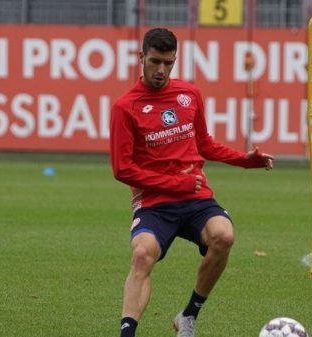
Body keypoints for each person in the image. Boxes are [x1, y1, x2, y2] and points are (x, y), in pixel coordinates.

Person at [109, 27, 274, 337]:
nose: (161, 70)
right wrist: (175, 183)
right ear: (141, 57)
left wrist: (244, 159)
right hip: (155, 204)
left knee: (223, 236)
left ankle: (188, 315)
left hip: (195, 198)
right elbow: (122, 169)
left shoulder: (189, 94)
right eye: (155, 61)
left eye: (168, 63)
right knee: (143, 253)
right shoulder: (125, 107)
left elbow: (204, 143)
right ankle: (127, 333)